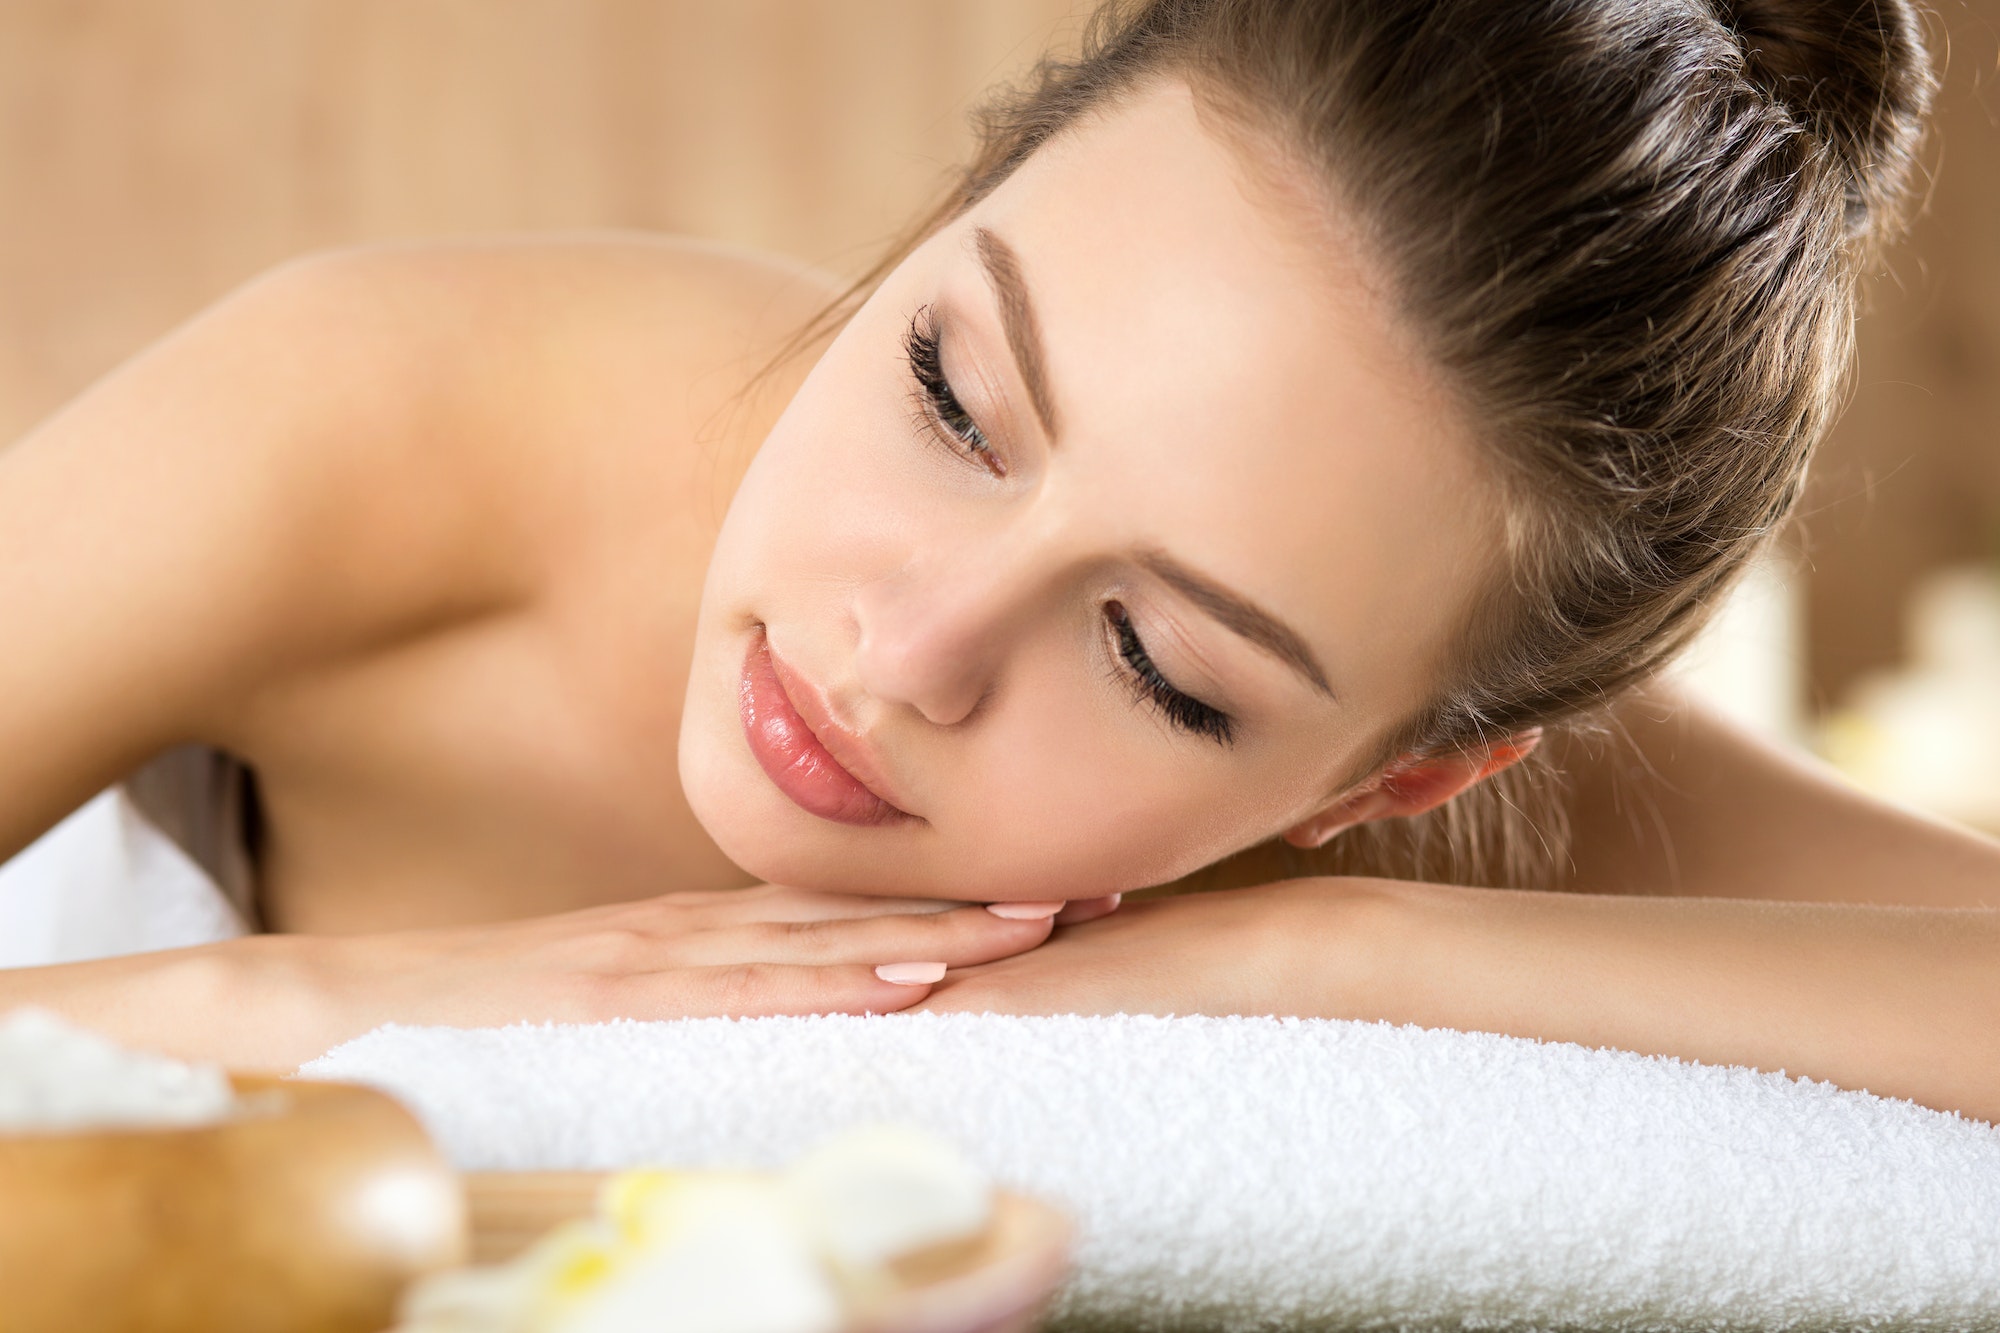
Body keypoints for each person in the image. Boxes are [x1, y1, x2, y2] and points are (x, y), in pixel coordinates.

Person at [4, 0, 1997, 1114]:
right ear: (958, 194)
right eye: (954, 395)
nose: (906, 646)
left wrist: (1329, 951)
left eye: (1158, 663)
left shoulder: (1408, 807)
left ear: (1393, 778)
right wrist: (373, 1003)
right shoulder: (398, 415)